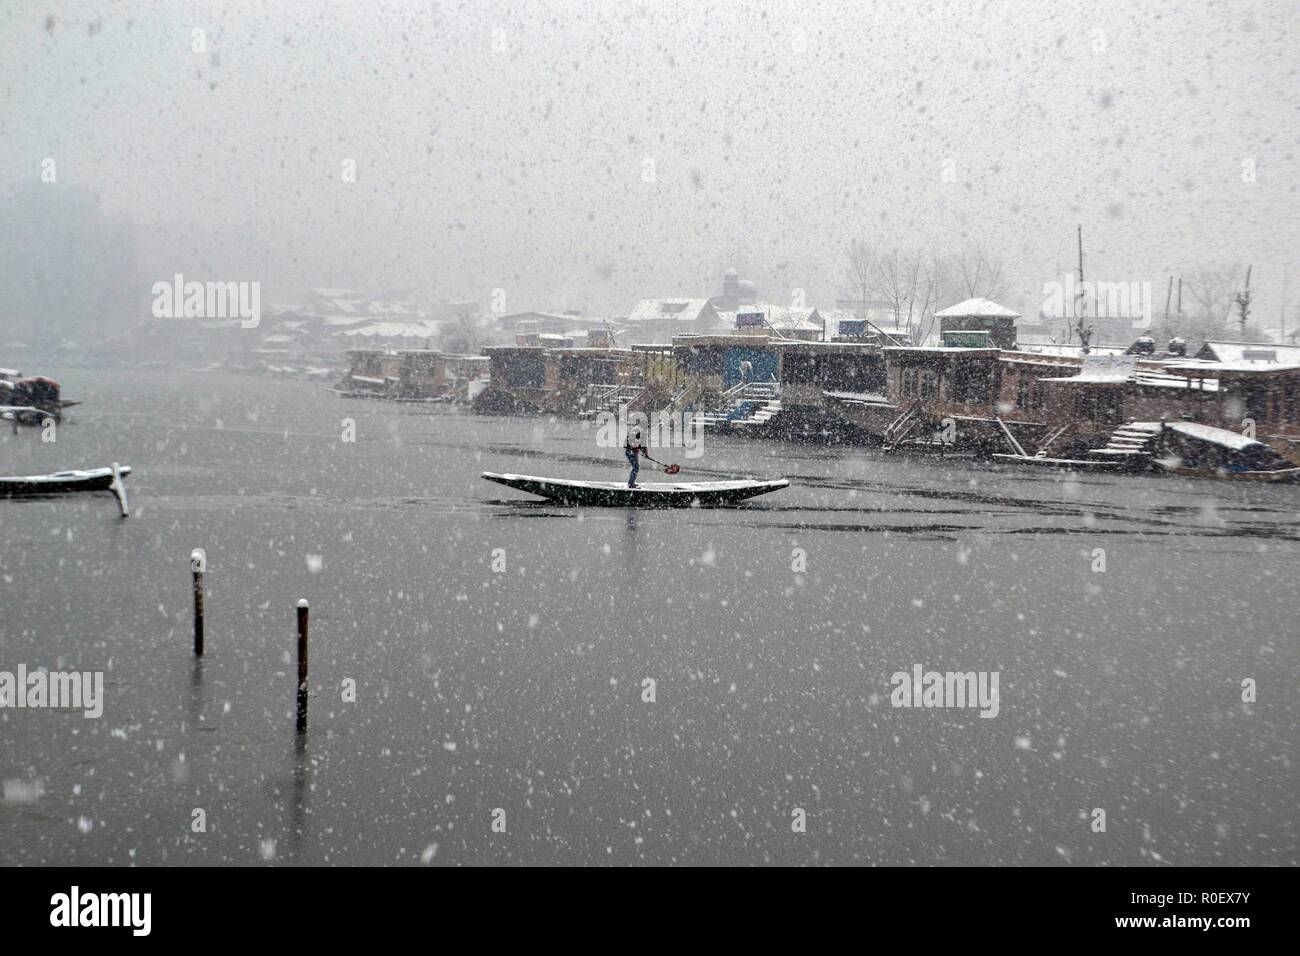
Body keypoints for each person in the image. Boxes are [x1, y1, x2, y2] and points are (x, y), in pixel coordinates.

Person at [624, 422, 648, 488]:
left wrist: (644, 453)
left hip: (632, 451)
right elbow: (639, 443)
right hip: (631, 452)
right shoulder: (638, 431)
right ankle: (631, 484)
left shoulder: (637, 430)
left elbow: (641, 444)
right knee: (636, 467)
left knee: (636, 467)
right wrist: (643, 452)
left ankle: (631, 483)